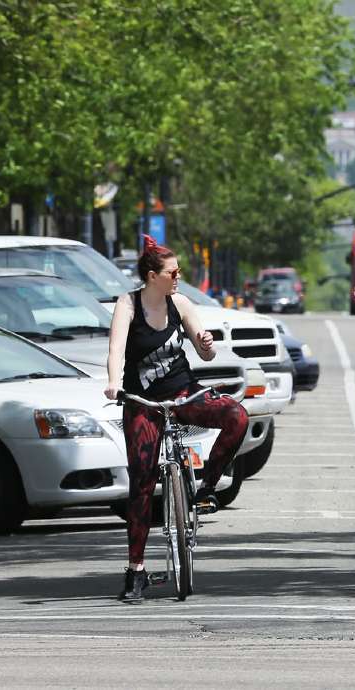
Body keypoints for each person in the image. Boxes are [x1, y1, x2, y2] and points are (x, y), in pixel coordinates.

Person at [106, 235, 250, 603]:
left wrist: (205, 343)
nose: (178, 277)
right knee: (141, 480)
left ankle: (204, 489)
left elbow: (205, 352)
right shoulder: (128, 305)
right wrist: (112, 383)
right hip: (143, 401)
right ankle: (135, 571)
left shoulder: (180, 303)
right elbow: (117, 351)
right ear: (153, 276)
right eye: (173, 272)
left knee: (237, 416)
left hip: (184, 392)